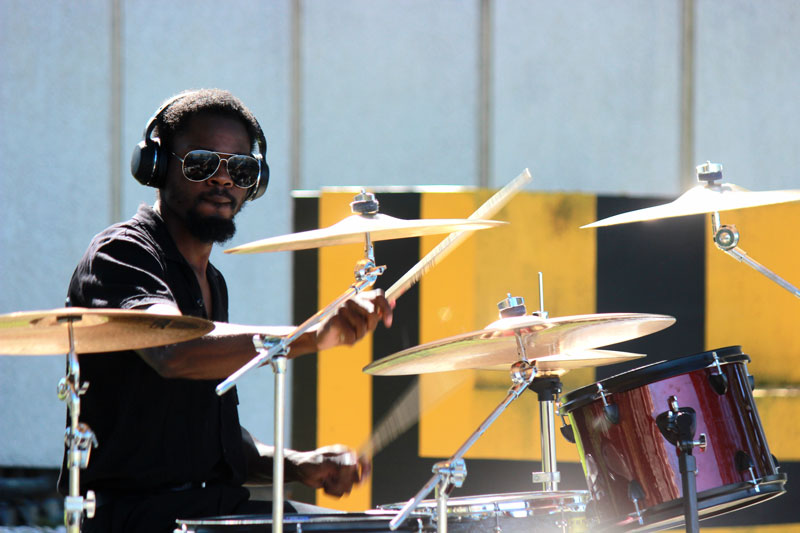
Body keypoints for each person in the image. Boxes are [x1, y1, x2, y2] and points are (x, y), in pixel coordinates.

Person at [57, 89, 393, 532]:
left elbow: (206, 441)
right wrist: (313, 334)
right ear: (155, 168)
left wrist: (298, 464)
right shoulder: (122, 253)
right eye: (201, 163)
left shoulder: (212, 282)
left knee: (375, 526)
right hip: (136, 517)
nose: (223, 180)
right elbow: (174, 350)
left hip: (207, 509)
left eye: (241, 168)